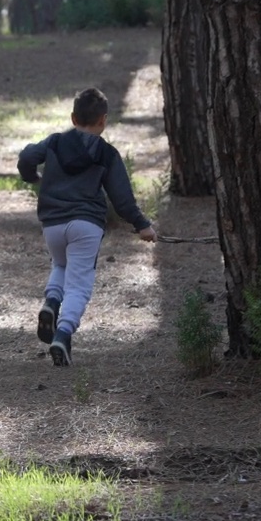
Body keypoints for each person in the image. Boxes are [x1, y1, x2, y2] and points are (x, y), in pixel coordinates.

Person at [17, 87, 157, 367]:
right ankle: (63, 333)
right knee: (80, 285)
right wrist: (142, 225)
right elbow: (122, 198)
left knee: (61, 265)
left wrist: (32, 176)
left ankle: (52, 303)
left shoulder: (55, 143)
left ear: (73, 117)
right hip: (86, 225)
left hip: (52, 224)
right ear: (103, 120)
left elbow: (26, 156)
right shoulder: (106, 153)